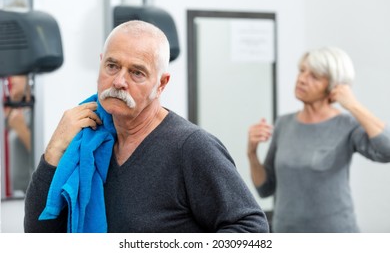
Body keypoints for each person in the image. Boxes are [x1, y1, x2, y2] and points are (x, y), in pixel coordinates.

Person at [24, 20, 269, 233]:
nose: (119, 81)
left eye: (136, 73)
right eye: (112, 66)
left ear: (161, 84)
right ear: (101, 65)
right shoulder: (87, 144)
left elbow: (250, 227)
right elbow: (40, 234)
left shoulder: (191, 147)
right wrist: (55, 149)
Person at [247, 46, 390, 233]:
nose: (302, 79)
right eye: (302, 71)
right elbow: (264, 188)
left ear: (334, 86)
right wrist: (251, 152)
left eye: (314, 76)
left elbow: (386, 151)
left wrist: (353, 105)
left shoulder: (347, 125)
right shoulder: (284, 123)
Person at [3, 75, 33, 195]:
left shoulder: (35, 114)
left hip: (29, 192)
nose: (12, 79)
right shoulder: (19, 113)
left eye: (17, 75)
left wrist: (21, 129)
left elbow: (45, 153)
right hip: (16, 193)